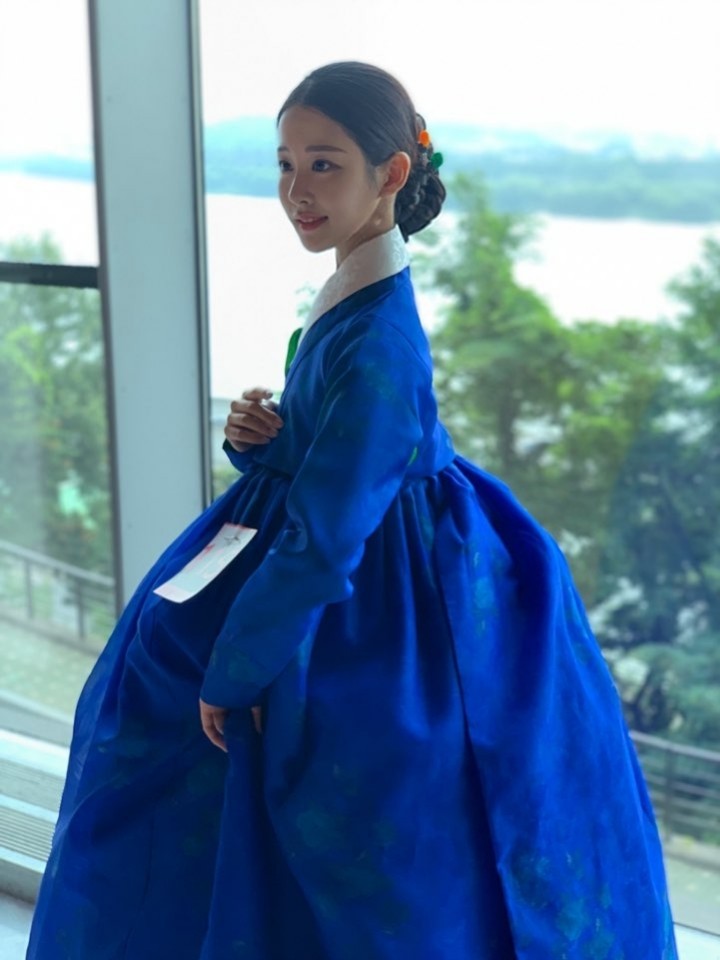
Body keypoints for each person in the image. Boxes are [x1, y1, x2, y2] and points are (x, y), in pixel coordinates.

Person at [27, 61, 677, 959]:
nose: (297, 190)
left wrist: (238, 668)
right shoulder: (353, 293)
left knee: (333, 792)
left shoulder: (381, 341)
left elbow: (330, 532)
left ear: (392, 173)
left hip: (378, 582)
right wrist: (268, 440)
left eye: (324, 165)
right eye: (286, 164)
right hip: (342, 538)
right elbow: (331, 458)